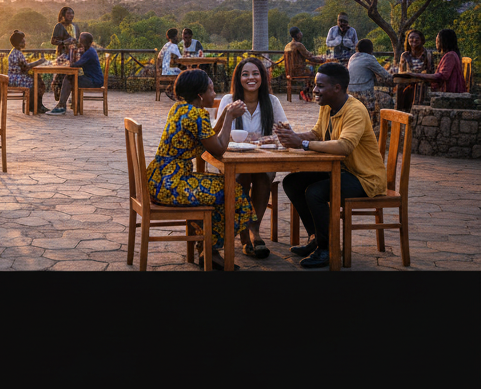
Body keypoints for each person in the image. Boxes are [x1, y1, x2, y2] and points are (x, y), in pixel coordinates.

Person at [275, 62, 387, 269]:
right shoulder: (327, 106)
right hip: (341, 170)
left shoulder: (355, 111)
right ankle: (316, 237)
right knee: (292, 182)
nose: (314, 90)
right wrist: (292, 137)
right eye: (315, 85)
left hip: (364, 178)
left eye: (320, 86)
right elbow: (317, 133)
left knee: (315, 192)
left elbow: (344, 146)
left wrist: (302, 143)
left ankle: (327, 249)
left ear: (337, 88)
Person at [146, 69, 259, 270]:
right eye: (211, 89)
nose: (214, 94)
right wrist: (230, 118)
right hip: (172, 185)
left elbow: (208, 137)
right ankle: (211, 249)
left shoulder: (180, 108)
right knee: (233, 191)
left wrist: (223, 114)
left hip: (159, 180)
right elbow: (218, 148)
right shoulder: (196, 115)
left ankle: (209, 250)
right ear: (200, 94)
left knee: (222, 187)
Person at [212, 57, 289, 259]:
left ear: (262, 77)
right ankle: (247, 235)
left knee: (264, 176)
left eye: (255, 73)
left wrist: (280, 133)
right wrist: (258, 137)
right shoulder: (229, 101)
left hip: (263, 160)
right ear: (238, 79)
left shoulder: (272, 102)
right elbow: (220, 134)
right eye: (245, 74)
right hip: (234, 162)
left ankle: (253, 230)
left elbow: (283, 132)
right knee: (242, 179)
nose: (251, 78)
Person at [50, 31, 103, 115]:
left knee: (69, 79)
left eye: (82, 41)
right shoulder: (86, 50)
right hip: (90, 78)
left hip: (94, 81)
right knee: (69, 78)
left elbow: (77, 64)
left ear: (88, 42)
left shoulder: (90, 52)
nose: (80, 43)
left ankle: (61, 105)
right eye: (80, 40)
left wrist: (70, 63)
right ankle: (71, 104)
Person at [405, 29, 467, 95]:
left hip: (450, 93)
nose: (436, 43)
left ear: (443, 41)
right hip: (445, 90)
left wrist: (417, 75)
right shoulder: (450, 55)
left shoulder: (450, 55)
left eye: (437, 40)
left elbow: (442, 76)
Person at [347, 38, 395, 118]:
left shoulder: (352, 58)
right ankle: (383, 123)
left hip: (350, 91)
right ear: (371, 49)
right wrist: (394, 80)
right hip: (364, 92)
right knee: (387, 99)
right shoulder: (369, 58)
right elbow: (385, 75)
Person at [8, 30, 49, 113]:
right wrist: (39, 61)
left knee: (37, 79)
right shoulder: (17, 53)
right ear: (18, 43)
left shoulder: (14, 52)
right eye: (23, 42)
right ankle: (34, 106)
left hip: (15, 77)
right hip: (16, 78)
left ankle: (37, 105)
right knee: (37, 83)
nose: (25, 43)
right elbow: (25, 67)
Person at [285, 26, 327, 101]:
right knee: (314, 75)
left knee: (310, 68)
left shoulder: (287, 46)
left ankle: (304, 92)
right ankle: (306, 91)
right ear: (297, 34)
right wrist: (322, 59)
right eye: (300, 32)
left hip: (289, 72)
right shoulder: (299, 45)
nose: (301, 34)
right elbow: (309, 57)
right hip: (299, 71)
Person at [396, 29, 434, 111]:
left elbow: (430, 71)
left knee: (416, 87)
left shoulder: (427, 54)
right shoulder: (405, 55)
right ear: (408, 40)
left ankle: (411, 111)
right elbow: (401, 72)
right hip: (409, 81)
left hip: (423, 81)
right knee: (401, 87)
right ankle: (400, 112)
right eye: (411, 38)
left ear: (422, 40)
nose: (414, 40)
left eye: (417, 38)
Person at [51, 6, 79, 105]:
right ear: (63, 15)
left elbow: (79, 40)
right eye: (68, 13)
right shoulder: (59, 26)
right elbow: (53, 41)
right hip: (62, 55)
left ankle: (72, 100)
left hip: (74, 55)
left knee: (72, 76)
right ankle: (56, 88)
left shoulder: (75, 26)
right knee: (61, 75)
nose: (71, 15)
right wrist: (64, 42)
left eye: (72, 13)